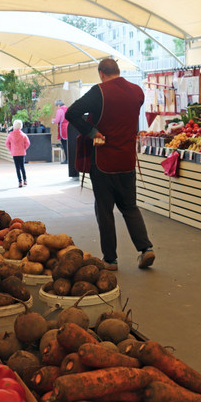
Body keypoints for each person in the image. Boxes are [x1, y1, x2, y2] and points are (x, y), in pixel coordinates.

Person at [65, 58, 155, 271]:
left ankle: (111, 259)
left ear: (101, 73)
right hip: (127, 160)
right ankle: (146, 249)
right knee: (130, 207)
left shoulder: (100, 92)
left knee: (104, 210)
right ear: (118, 71)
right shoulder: (137, 92)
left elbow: (71, 113)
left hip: (104, 160)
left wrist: (93, 132)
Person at [5, 119, 30, 188]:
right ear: (21, 126)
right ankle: (25, 180)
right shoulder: (23, 135)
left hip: (15, 153)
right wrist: (24, 148)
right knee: (22, 167)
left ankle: (20, 182)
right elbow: (28, 143)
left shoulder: (10, 135)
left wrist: (11, 149)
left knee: (17, 168)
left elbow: (7, 143)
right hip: (22, 153)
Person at [52, 100, 69, 164]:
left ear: (58, 105)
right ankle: (70, 159)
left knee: (64, 145)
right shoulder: (68, 108)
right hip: (69, 128)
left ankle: (67, 160)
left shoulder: (59, 110)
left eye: (57, 106)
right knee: (69, 145)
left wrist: (53, 120)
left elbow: (57, 120)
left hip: (63, 128)